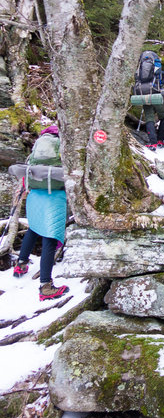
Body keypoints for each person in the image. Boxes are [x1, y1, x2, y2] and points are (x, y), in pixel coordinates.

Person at [13, 125, 69, 301]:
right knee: (50, 238)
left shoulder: (37, 148)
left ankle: (20, 264)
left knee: (34, 228)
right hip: (54, 197)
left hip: (35, 195)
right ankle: (46, 286)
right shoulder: (62, 146)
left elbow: (28, 171)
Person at [143, 60, 164, 152]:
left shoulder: (142, 73)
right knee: (163, 117)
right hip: (158, 96)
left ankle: (153, 143)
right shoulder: (161, 73)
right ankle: (160, 140)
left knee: (149, 118)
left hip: (145, 97)